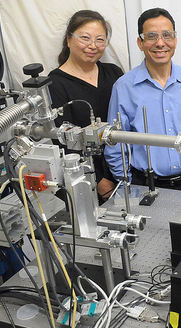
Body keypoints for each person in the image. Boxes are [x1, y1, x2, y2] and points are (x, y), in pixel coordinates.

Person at [104, 8, 181, 192]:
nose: (160, 43)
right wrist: (128, 183)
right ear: (140, 43)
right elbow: (115, 144)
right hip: (146, 185)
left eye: (167, 35)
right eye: (151, 36)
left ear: (175, 40)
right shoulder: (124, 87)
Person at [48, 10, 124, 201]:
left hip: (122, 169)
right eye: (85, 38)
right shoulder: (55, 84)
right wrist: (99, 181)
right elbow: (63, 141)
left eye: (100, 40)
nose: (92, 46)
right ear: (68, 39)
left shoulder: (114, 73)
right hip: (85, 179)